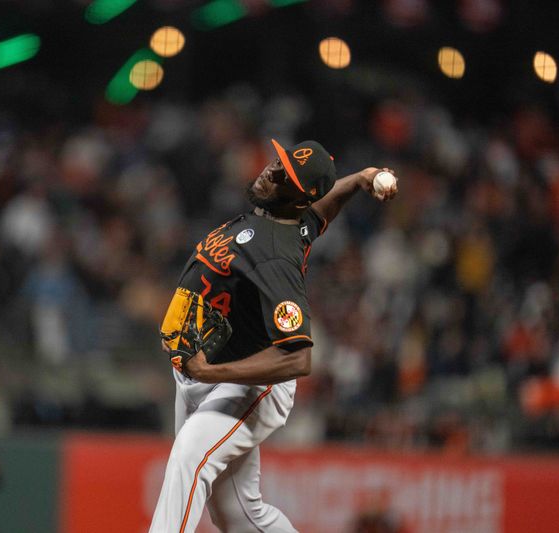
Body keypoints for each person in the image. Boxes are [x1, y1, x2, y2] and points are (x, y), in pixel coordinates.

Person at [150, 138, 397, 532]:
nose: (271, 171)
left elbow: (297, 358)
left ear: (296, 197)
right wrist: (361, 179)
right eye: (279, 162)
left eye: (284, 176)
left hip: (249, 382)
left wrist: (211, 374)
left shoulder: (277, 259)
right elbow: (321, 208)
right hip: (207, 371)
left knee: (189, 459)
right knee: (240, 515)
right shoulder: (289, 220)